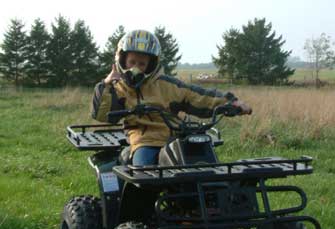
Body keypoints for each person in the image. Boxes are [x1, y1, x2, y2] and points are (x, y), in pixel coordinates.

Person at [92, 29, 252, 166]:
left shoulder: (167, 85)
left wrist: (231, 103)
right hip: (144, 140)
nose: (136, 68)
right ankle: (144, 202)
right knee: (143, 169)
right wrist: (106, 85)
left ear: (151, 64)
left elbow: (197, 96)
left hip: (176, 137)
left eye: (141, 64)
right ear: (122, 61)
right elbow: (102, 114)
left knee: (205, 162)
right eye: (131, 62)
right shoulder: (117, 88)